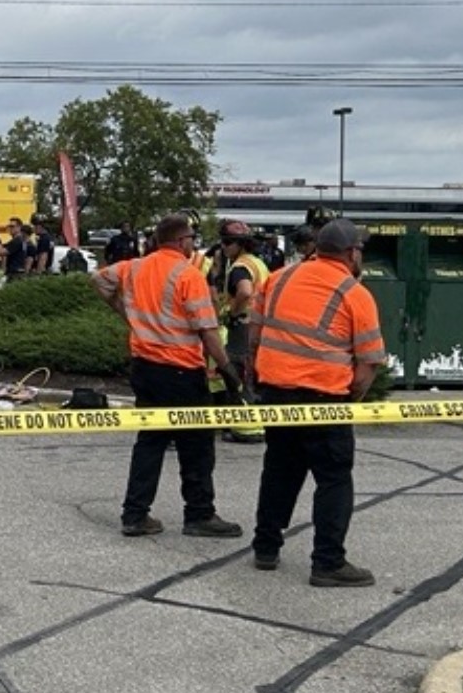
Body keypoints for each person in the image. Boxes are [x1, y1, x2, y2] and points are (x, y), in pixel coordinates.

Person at [248, 218, 386, 588]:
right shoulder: (354, 293)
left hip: (276, 393)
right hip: (325, 398)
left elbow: (255, 334)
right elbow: (369, 362)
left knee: (279, 469)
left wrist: (259, 376)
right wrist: (351, 398)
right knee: (334, 479)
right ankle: (328, 562)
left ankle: (265, 548)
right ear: (351, 253)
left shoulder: (278, 279)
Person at [111, 214, 245, 540]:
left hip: (144, 367)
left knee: (150, 441)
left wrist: (128, 314)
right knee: (196, 445)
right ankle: (199, 514)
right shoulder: (188, 274)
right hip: (181, 371)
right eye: (191, 240)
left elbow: (100, 281)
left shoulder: (135, 267)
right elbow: (208, 331)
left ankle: (135, 514)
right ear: (182, 241)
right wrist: (227, 369)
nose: (193, 245)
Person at [211, 221, 271, 444]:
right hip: (259, 325)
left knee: (236, 374)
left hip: (242, 326)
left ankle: (244, 428)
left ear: (240, 244)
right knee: (252, 375)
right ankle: (257, 424)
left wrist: (232, 311)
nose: (223, 247)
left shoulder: (240, 267)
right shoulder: (259, 264)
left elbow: (245, 292)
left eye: (227, 243)